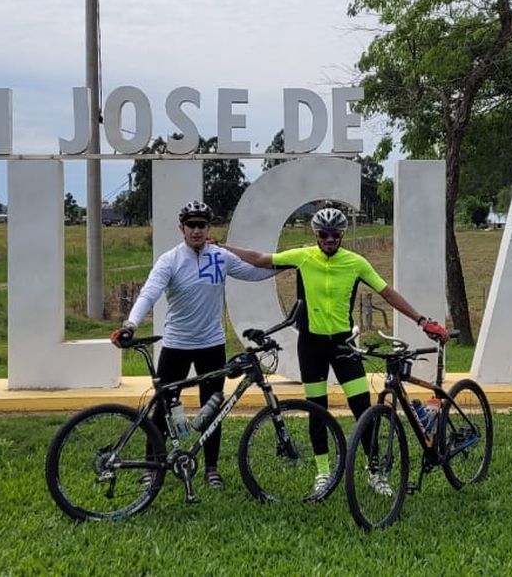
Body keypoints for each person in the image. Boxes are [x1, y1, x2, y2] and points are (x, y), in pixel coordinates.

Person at [223, 205, 447, 497]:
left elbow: (386, 292)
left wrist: (421, 320)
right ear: (316, 234)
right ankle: (323, 472)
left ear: (341, 235)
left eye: (335, 234)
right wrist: (224, 248)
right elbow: (262, 259)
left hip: (343, 345)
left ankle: (375, 470)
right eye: (323, 234)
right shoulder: (303, 256)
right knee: (317, 410)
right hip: (311, 345)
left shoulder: (355, 262)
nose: (329, 239)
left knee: (362, 408)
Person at [114, 200, 278, 489]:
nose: (196, 230)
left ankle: (211, 468)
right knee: (163, 407)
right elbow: (149, 293)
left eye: (202, 225)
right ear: (182, 228)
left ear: (209, 228)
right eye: (191, 225)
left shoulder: (220, 256)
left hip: (211, 345)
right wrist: (130, 324)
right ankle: (152, 466)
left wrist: (295, 262)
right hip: (176, 344)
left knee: (212, 407)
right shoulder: (170, 260)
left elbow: (255, 272)